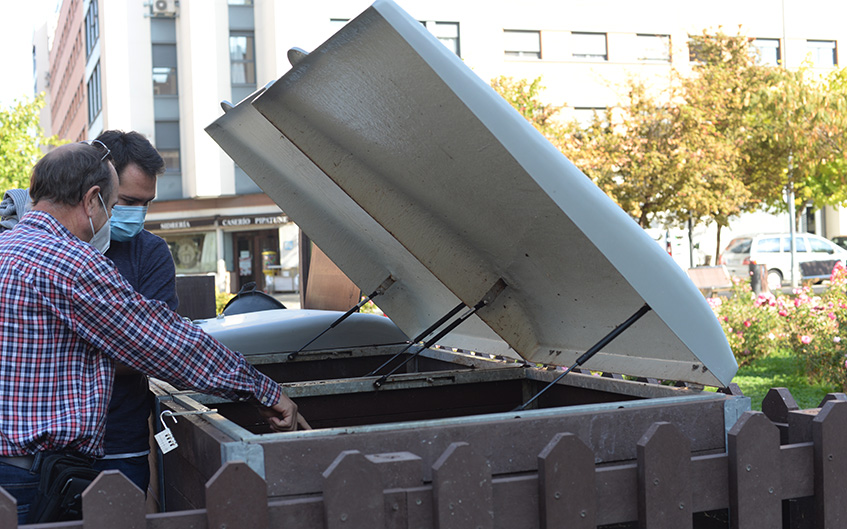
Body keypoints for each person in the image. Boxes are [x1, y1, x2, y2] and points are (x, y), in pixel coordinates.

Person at [0, 141, 307, 524]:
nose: (114, 218)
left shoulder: (6, 248)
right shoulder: (69, 262)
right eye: (113, 207)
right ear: (92, 199)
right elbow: (164, 342)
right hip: (32, 478)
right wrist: (262, 389)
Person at [88, 130, 177, 495]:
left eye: (147, 203)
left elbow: (156, 347)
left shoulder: (152, 253)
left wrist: (65, 351)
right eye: (127, 200)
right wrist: (121, 345)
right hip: (44, 443)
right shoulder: (60, 248)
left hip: (121, 439)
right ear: (98, 188)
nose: (138, 213)